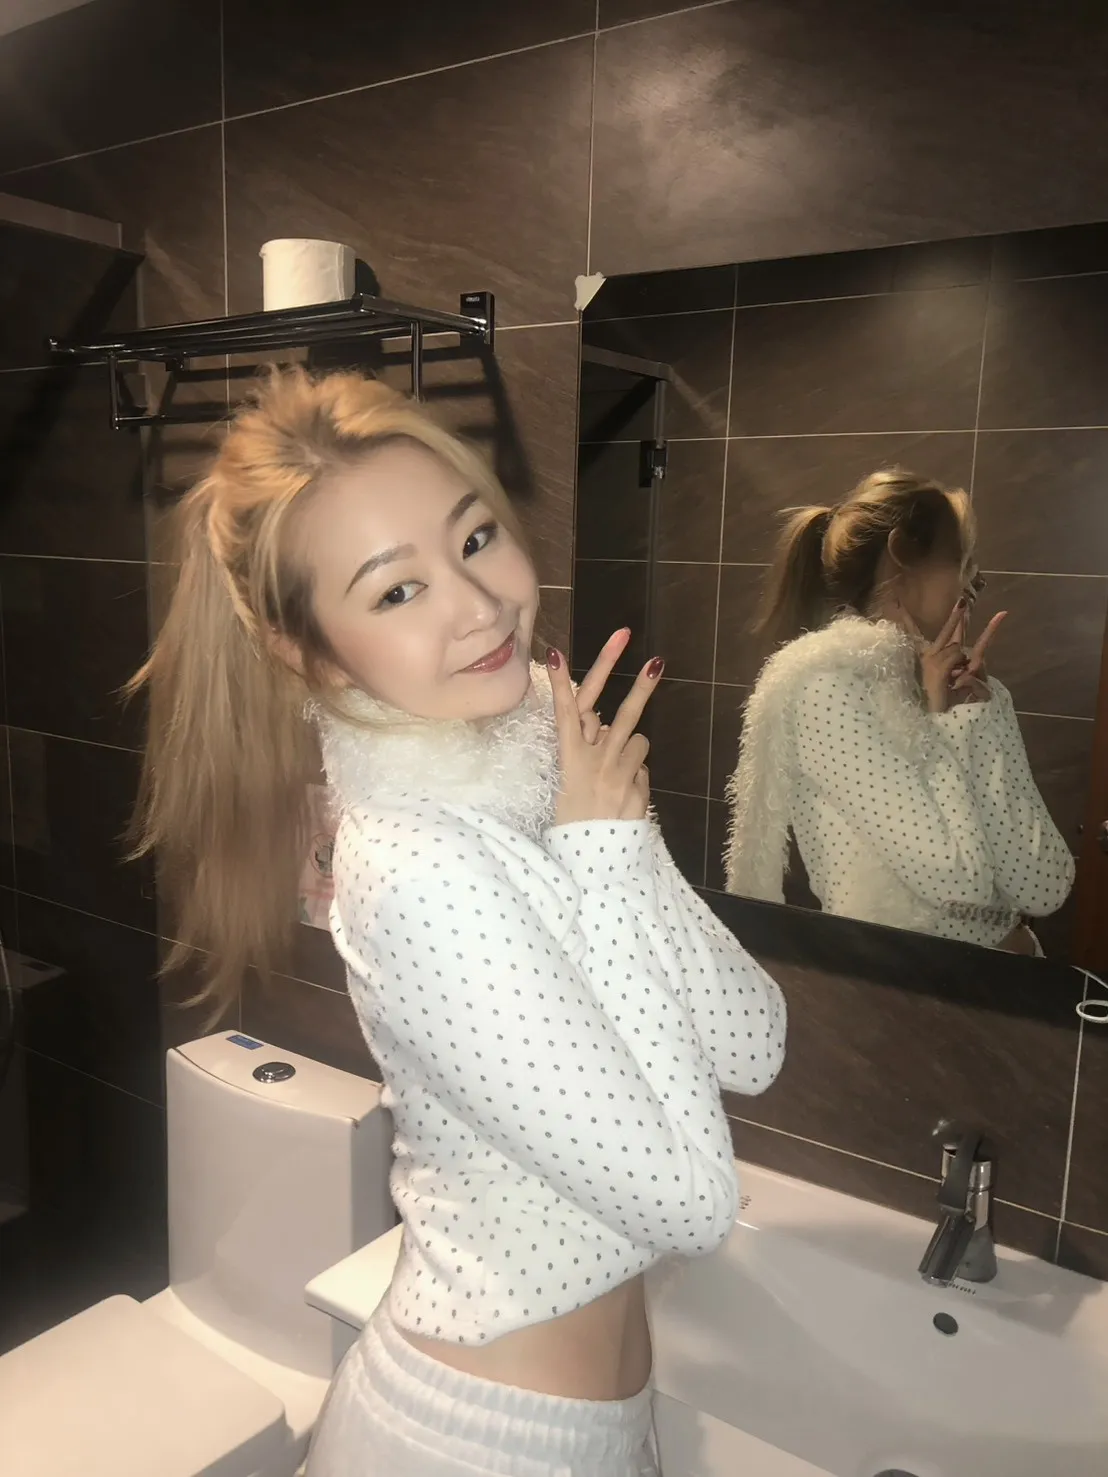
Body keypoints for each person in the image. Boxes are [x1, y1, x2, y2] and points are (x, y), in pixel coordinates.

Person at [129, 367, 787, 1477]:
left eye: (476, 538)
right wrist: (604, 848)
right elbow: (691, 1203)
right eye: (397, 591)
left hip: (591, 1427)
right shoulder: (417, 864)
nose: (479, 605)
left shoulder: (532, 778)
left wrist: (612, 840)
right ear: (307, 651)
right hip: (475, 1443)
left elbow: (752, 1044)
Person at [724, 468, 1074, 955]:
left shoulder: (975, 693)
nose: (973, 583)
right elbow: (960, 884)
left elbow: (1046, 887)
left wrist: (980, 720)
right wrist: (943, 721)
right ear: (903, 553)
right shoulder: (826, 686)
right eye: (962, 562)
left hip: (1014, 980)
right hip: (910, 989)